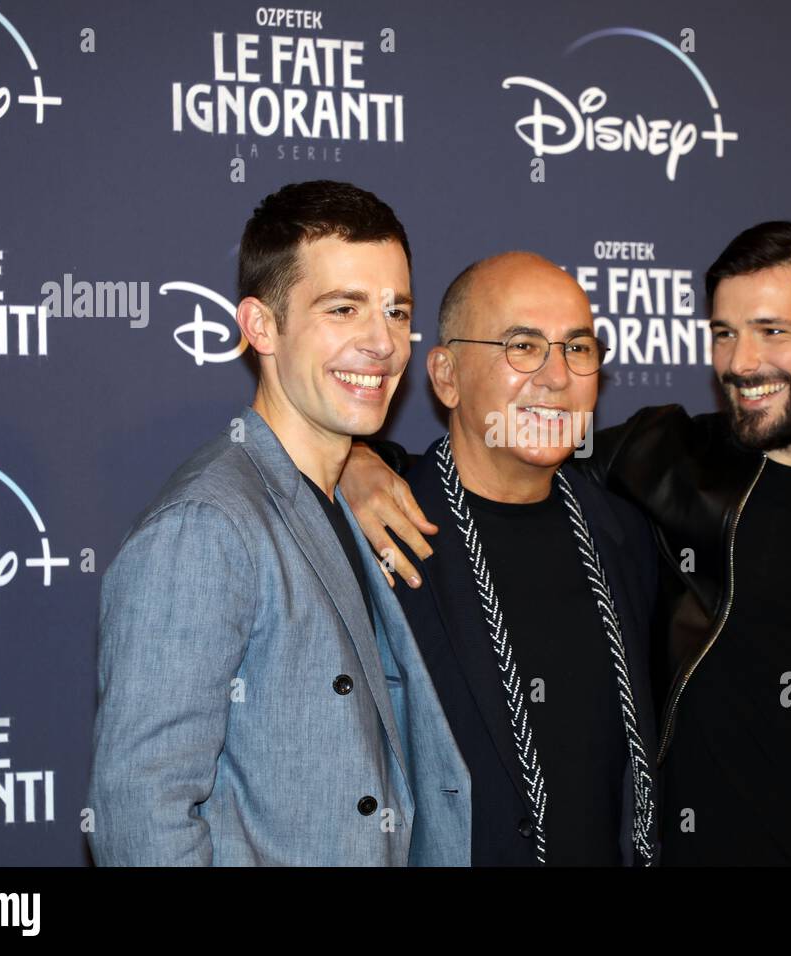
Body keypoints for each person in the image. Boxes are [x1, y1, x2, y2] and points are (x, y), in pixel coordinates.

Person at [341, 221, 791, 866]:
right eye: (725, 333)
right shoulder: (670, 463)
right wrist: (354, 460)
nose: (742, 362)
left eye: (772, 331)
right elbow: (506, 447)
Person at [87, 180, 470, 866]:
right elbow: (139, 819)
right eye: (343, 308)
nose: (381, 343)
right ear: (261, 325)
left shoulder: (341, 500)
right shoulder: (206, 527)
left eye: (395, 310)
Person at [379, 251, 659, 865]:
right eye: (523, 346)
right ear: (446, 376)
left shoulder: (627, 537)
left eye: (578, 348)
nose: (557, 376)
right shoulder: (380, 538)